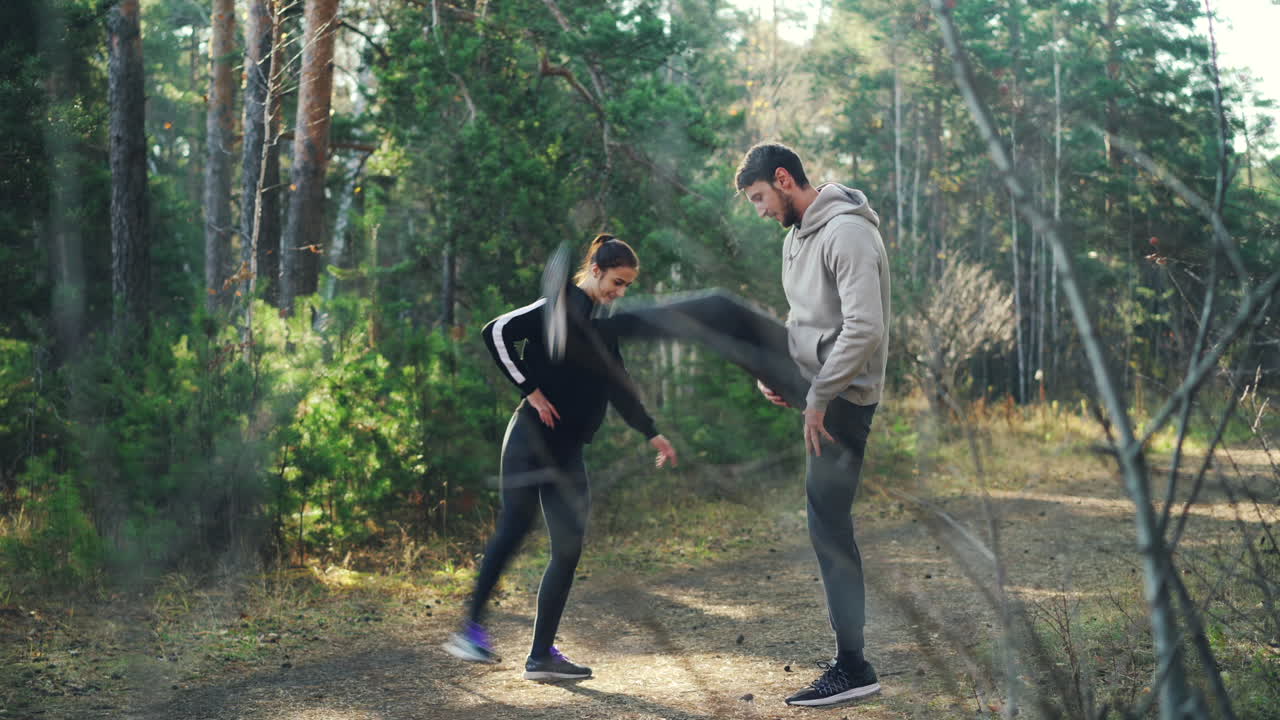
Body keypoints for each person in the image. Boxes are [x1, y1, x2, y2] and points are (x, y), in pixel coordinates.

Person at [579, 142, 889, 706]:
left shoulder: (848, 232)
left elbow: (865, 328)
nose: (761, 210)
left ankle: (854, 666)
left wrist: (817, 395)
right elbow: (807, 318)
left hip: (841, 398)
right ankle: (597, 326)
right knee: (721, 311)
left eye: (760, 198)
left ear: (784, 179)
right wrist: (769, 371)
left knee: (828, 526)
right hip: (811, 378)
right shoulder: (798, 236)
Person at [443, 234, 679, 682]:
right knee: (514, 529)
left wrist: (652, 432)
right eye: (617, 281)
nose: (620, 292)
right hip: (530, 442)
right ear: (596, 270)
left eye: (627, 285)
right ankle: (469, 632)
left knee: (568, 549)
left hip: (567, 451)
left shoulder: (601, 327)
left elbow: (619, 386)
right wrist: (530, 390)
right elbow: (496, 332)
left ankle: (541, 657)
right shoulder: (556, 306)